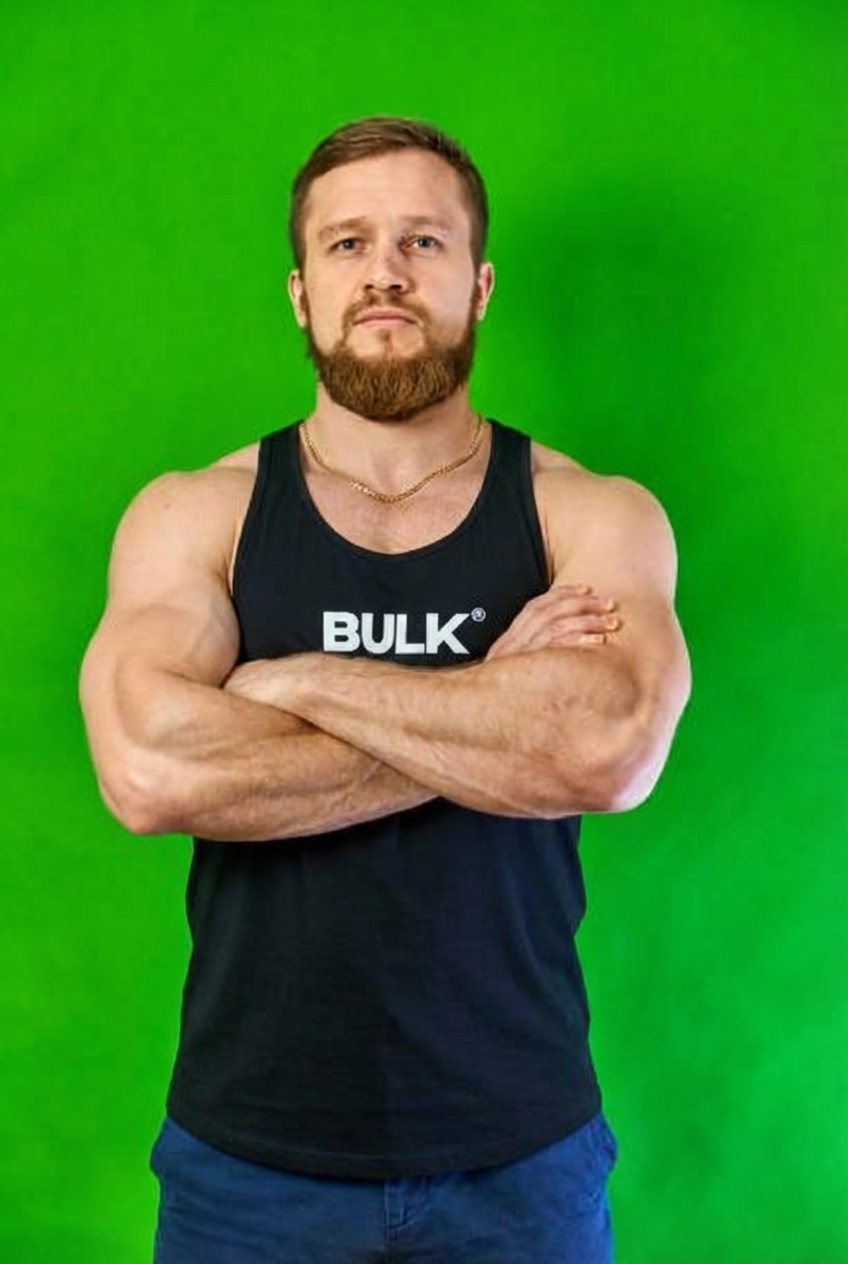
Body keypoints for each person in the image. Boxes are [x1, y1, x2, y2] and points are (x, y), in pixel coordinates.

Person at [79, 116, 691, 1264]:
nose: (386, 272)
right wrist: (495, 700)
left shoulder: (586, 513)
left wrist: (295, 679)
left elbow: (603, 751)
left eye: (423, 240)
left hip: (519, 1155)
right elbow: (150, 771)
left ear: (478, 282)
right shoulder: (198, 513)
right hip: (249, 1161)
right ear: (301, 291)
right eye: (348, 243)